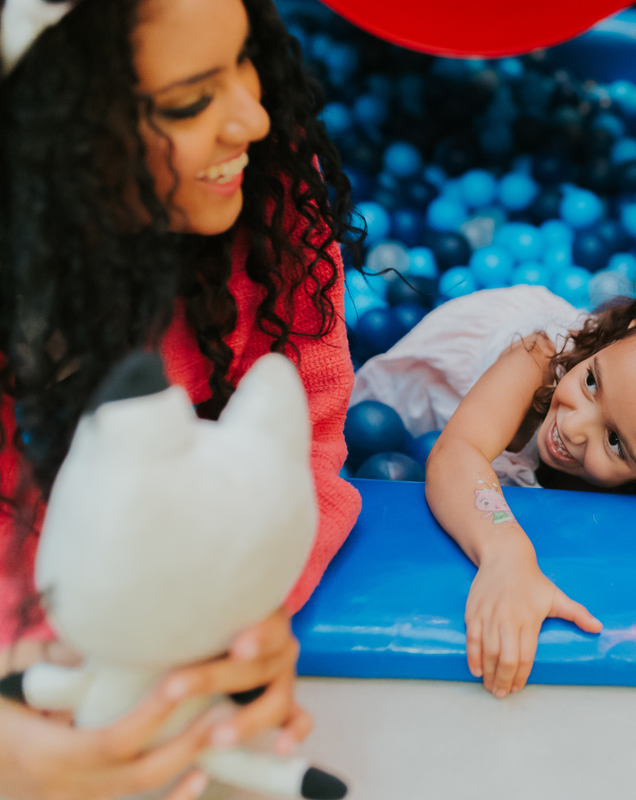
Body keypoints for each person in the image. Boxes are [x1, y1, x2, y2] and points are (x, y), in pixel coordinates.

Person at [0, 0, 361, 797]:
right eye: (189, 101)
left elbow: (309, 436)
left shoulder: (267, 194)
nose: (254, 118)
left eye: (247, 58)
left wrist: (241, 610)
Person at [352, 256, 636, 701]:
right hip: (455, 388)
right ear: (616, 340)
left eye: (616, 441)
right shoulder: (537, 356)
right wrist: (505, 554)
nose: (575, 427)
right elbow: (455, 451)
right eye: (592, 383)